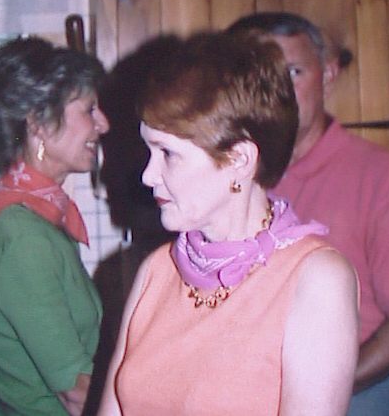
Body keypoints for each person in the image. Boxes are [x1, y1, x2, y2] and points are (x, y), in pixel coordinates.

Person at [97, 32, 358, 416]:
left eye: (168, 154)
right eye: (149, 150)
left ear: (239, 160)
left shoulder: (316, 278)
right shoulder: (157, 270)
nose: (148, 176)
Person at [227, 12, 389, 416]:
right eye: (259, 75)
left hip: (353, 396)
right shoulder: (224, 176)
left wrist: (323, 386)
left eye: (293, 72)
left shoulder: (385, 178)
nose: (277, 91)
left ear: (327, 75)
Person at [0, 36, 109, 415]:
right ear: (39, 123)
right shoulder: (21, 237)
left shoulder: (27, 220)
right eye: (89, 110)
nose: (103, 124)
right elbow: (77, 393)